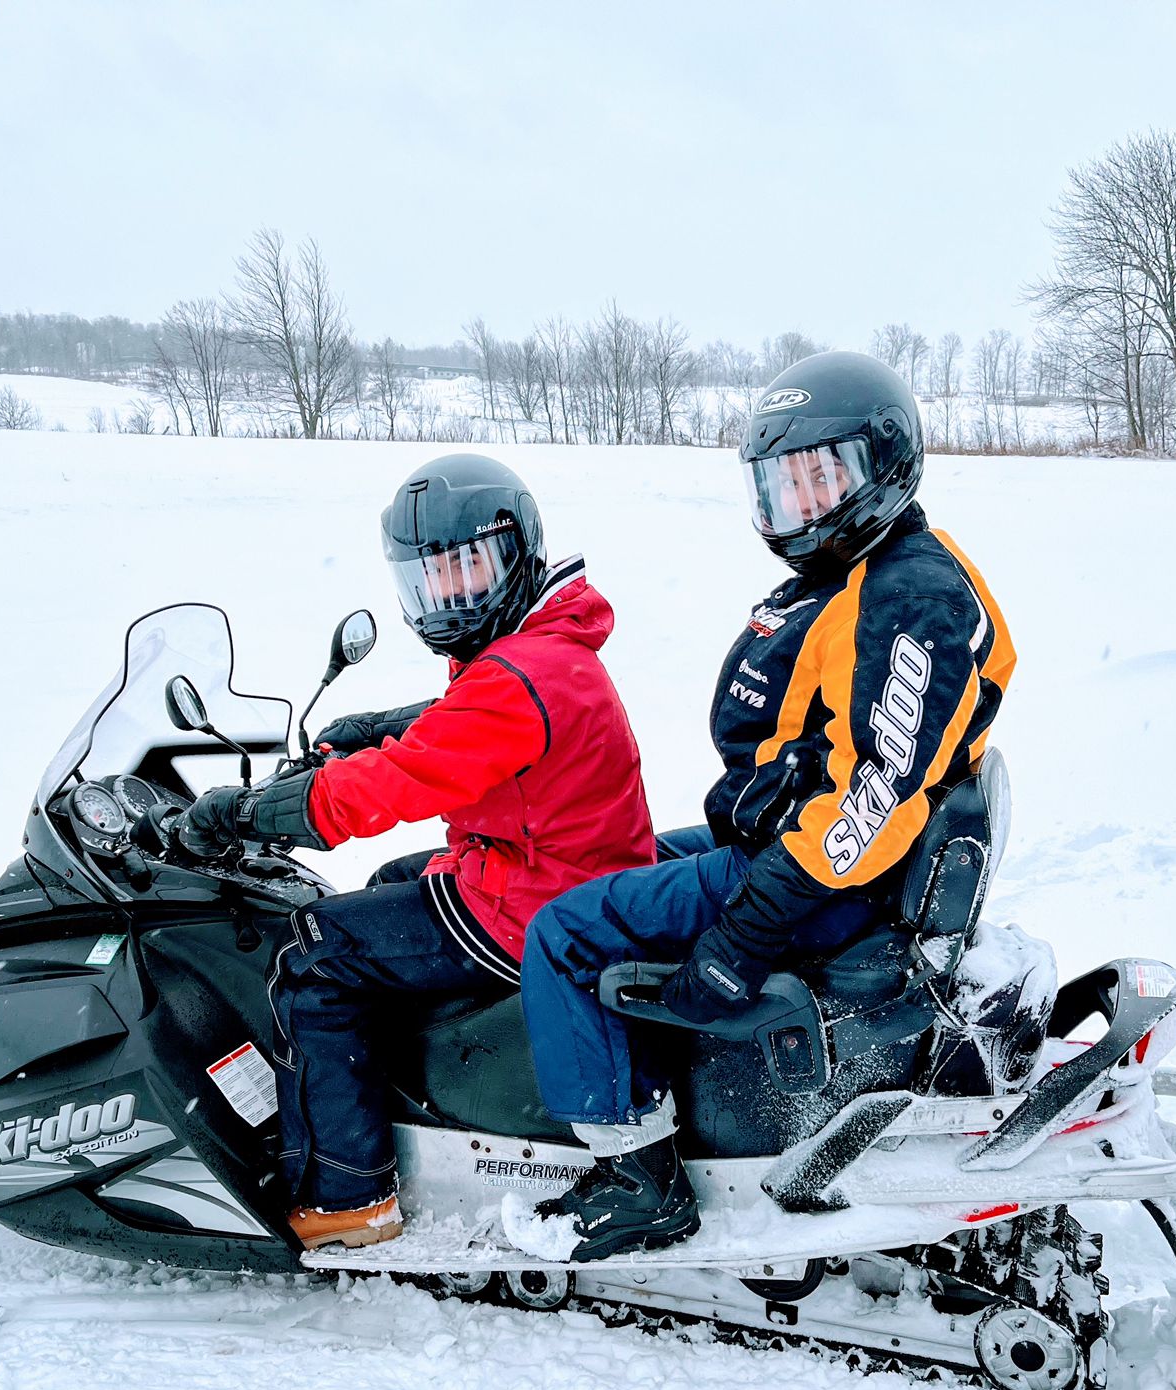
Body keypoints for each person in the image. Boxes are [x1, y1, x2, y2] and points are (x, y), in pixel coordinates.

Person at [516, 352, 1016, 1261]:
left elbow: (872, 800)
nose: (805, 502)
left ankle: (637, 1173)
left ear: (884, 469)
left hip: (818, 881)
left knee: (561, 931)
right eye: (786, 484)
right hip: (793, 849)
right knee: (608, 870)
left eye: (824, 476)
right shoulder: (865, 568)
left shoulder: (909, 598)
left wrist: (738, 941)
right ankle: (662, 1086)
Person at [174, 453, 656, 1249]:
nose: (451, 594)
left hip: (531, 906)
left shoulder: (518, 673)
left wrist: (250, 814)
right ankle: (412, 1098)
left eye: (469, 567)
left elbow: (398, 783)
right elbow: (462, 723)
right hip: (554, 875)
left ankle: (349, 1196)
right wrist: (378, 726)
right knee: (387, 887)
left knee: (312, 955)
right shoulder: (542, 647)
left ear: (517, 551)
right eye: (431, 578)